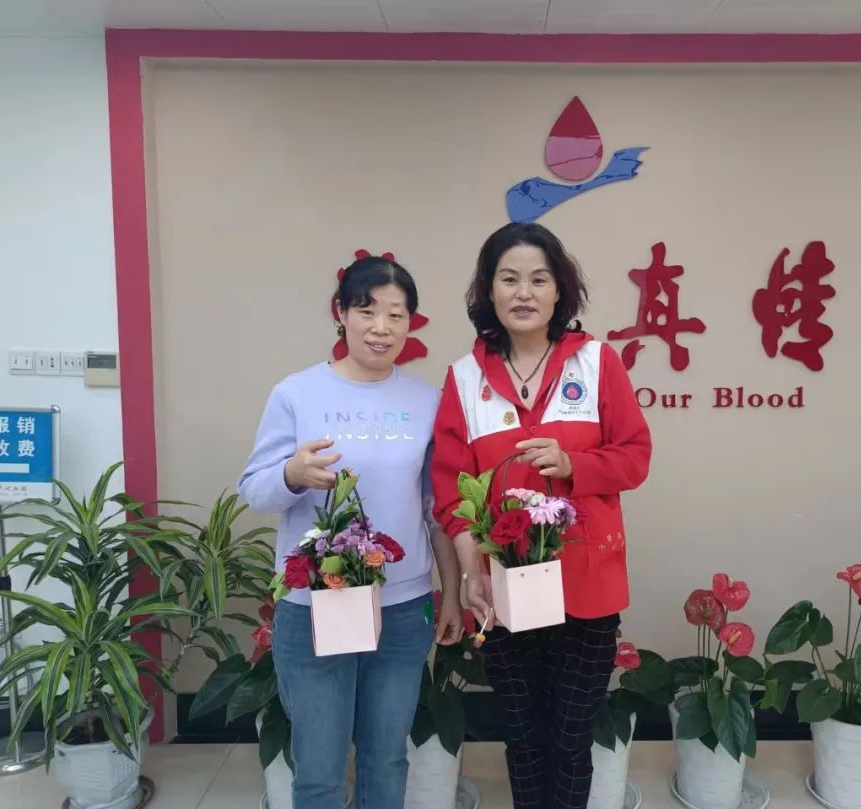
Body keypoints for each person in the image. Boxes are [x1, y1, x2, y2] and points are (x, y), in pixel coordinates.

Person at [431, 222, 653, 809]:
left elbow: (635, 457)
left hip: (587, 584)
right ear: (489, 291)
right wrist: (471, 572)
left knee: (571, 739)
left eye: (539, 279)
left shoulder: (598, 363)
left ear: (560, 291)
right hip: (502, 586)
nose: (524, 292)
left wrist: (574, 463)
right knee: (524, 738)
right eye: (509, 279)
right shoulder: (464, 378)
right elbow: (451, 493)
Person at [239, 255, 462, 809]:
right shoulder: (297, 394)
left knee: (387, 759)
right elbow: (255, 489)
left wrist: (453, 592)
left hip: (401, 608)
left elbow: (437, 510)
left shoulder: (426, 402)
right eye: (367, 311)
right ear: (341, 314)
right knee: (319, 767)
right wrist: (292, 474)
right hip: (316, 606)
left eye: (396, 314)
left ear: (410, 322)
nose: (381, 328)